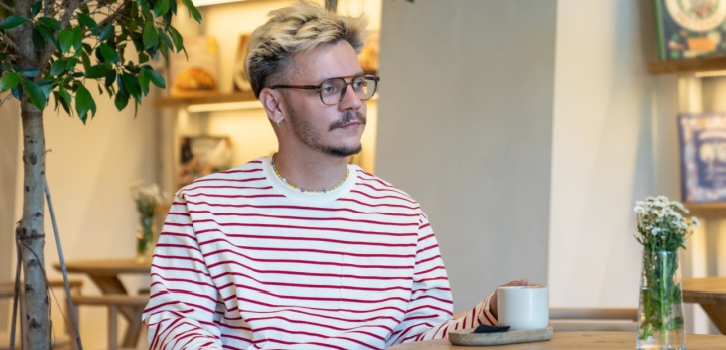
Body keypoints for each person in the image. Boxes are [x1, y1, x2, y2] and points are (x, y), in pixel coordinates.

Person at [142, 1, 526, 348]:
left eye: (359, 84)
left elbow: (420, 339)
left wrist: (488, 316)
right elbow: (174, 329)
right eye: (330, 88)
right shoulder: (204, 207)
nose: (354, 102)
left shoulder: (404, 216)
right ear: (274, 104)